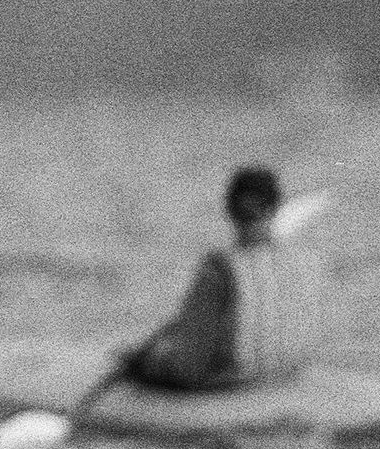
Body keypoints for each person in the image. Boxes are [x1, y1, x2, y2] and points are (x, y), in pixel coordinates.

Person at [104, 165, 328, 396]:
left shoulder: (220, 269)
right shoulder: (308, 259)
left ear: (229, 210)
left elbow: (188, 368)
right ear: (277, 208)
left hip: (230, 383)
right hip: (286, 373)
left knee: (146, 358)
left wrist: (143, 364)